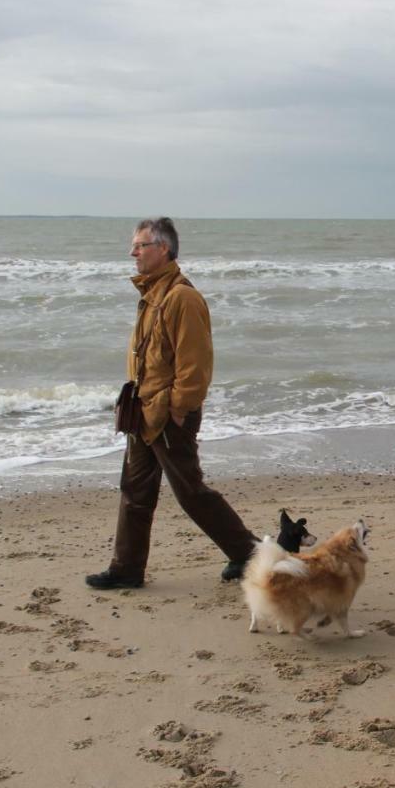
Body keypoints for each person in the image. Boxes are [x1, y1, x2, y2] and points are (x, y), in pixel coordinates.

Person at [86, 217, 258, 590]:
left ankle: (248, 553)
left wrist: (178, 409)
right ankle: (126, 569)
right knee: (135, 491)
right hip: (143, 411)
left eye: (140, 246)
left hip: (168, 415)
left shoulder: (182, 297)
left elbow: (195, 365)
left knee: (191, 492)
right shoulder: (153, 293)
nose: (133, 253)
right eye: (134, 246)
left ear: (163, 249)